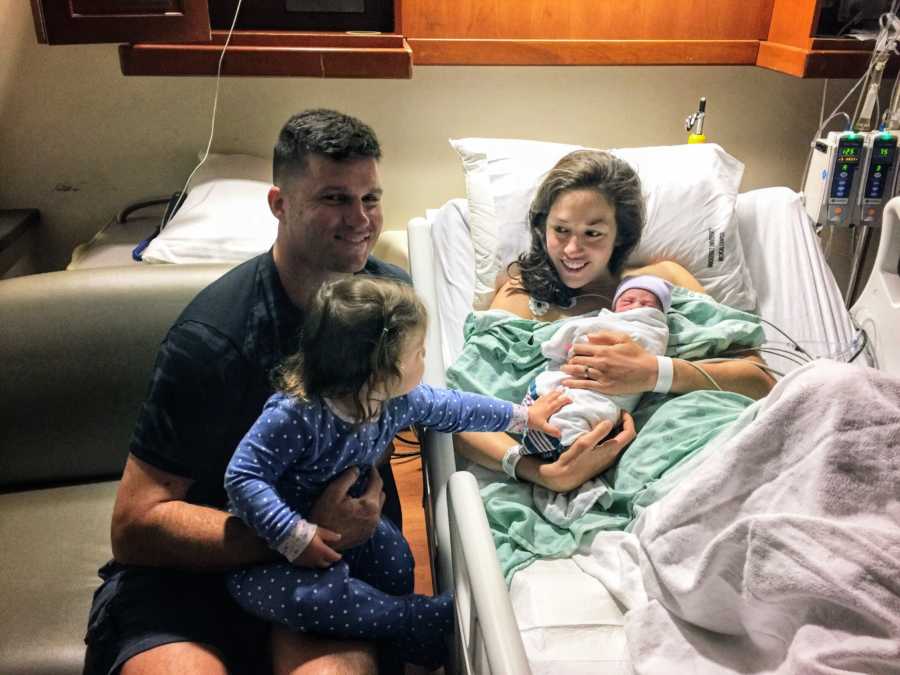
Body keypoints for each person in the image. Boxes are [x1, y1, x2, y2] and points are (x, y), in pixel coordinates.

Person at [84, 109, 422, 675]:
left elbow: (428, 405)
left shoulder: (390, 300)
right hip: (199, 568)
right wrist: (296, 533)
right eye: (335, 199)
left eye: (371, 198)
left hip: (330, 567)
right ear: (279, 205)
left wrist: (525, 451)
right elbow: (135, 527)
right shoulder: (213, 341)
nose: (360, 219)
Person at [224, 275, 568, 669]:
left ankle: (392, 629)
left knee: (398, 562)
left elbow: (456, 408)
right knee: (317, 600)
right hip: (270, 555)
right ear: (382, 370)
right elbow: (243, 476)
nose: (425, 360)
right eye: (420, 352)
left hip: (346, 528)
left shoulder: (398, 401)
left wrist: (524, 417)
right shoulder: (297, 415)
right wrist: (293, 535)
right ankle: (408, 619)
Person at [454, 149, 776, 490]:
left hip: (705, 448)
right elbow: (461, 417)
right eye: (561, 230)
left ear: (620, 233)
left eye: (593, 234)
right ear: (542, 226)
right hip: (622, 481)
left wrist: (653, 372)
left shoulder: (662, 282)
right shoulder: (522, 298)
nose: (572, 249)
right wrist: (544, 474)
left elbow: (760, 383)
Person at [521, 274, 672, 461]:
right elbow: (581, 332)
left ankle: (564, 446)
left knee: (589, 411)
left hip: (615, 392)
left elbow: (651, 352)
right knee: (552, 393)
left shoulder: (655, 330)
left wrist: (555, 348)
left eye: (648, 305)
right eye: (628, 301)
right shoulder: (605, 321)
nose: (636, 307)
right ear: (615, 306)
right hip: (576, 375)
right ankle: (539, 434)